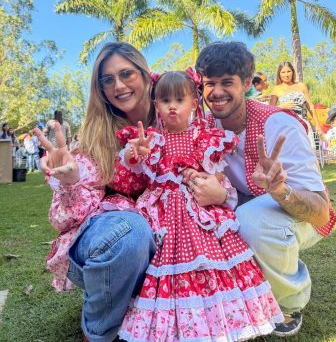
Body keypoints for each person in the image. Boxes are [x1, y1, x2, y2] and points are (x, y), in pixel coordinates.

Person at [183, 42, 335, 337]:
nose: (215, 92)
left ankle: (287, 301)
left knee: (252, 220)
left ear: (248, 83)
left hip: (296, 214)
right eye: (209, 83)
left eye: (227, 82)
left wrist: (279, 189)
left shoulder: (279, 125)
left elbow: (320, 213)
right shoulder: (205, 127)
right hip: (245, 206)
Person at [118, 70, 283, 341]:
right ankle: (174, 326)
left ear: (194, 104)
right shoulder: (151, 139)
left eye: (179, 100)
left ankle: (220, 323)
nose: (172, 106)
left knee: (211, 262)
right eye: (165, 100)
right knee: (164, 263)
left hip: (200, 209)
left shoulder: (204, 137)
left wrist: (208, 179)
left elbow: (218, 177)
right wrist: (135, 154)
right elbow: (135, 168)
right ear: (156, 104)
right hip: (164, 212)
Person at [35, 42, 156, 342]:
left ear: (145, 74)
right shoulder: (96, 134)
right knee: (130, 232)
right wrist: (72, 181)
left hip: (167, 238)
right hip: (110, 241)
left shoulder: (174, 113)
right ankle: (99, 332)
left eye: (126, 73)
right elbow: (65, 219)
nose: (118, 85)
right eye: (108, 79)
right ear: (100, 88)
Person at [269, 62, 322, 141]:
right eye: (283, 72)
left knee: (307, 151)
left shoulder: (301, 86)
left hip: (303, 124)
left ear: (293, 72)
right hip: (286, 125)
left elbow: (310, 106)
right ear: (279, 74)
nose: (286, 75)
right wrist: (281, 107)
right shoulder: (276, 89)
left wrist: (317, 125)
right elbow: (269, 110)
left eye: (288, 71)